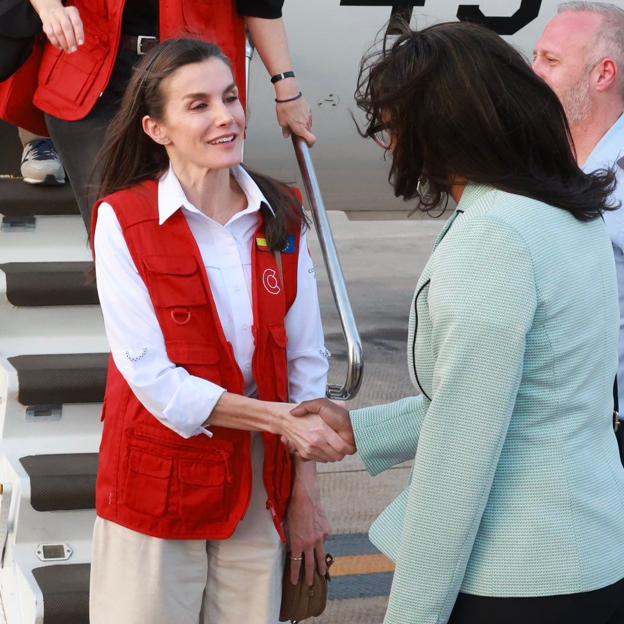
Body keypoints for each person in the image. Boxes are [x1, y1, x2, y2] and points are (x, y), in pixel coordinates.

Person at [291, 20, 624, 624]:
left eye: (393, 125)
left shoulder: (493, 237)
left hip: (519, 576)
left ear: (440, 128)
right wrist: (362, 431)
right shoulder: (566, 211)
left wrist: (412, 615)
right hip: (591, 556)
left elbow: (460, 458)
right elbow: (521, 399)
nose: (387, 143)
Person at [89, 38, 352, 624]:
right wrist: (277, 420)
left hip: (259, 485)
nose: (226, 116)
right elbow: (153, 381)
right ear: (157, 129)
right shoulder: (121, 221)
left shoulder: (280, 211)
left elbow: (308, 360)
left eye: (231, 98)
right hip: (157, 488)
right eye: (199, 104)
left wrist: (303, 490)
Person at [28, 0, 315, 230]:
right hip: (94, 78)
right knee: (116, 220)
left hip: (190, 82)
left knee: (191, 215)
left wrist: (287, 88)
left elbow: (261, 5)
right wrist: (48, 7)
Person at [533, 1, 624, 406]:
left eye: (550, 60)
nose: (533, 73)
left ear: (603, 73)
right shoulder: (549, 163)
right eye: (534, 57)